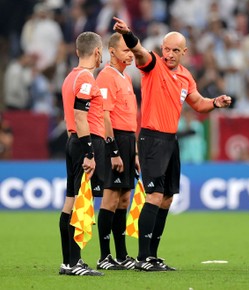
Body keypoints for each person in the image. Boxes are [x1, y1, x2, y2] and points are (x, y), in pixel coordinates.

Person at [113, 16, 232, 271]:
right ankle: (143, 258)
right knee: (154, 195)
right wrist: (129, 34)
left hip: (170, 140)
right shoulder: (153, 65)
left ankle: (153, 255)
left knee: (166, 198)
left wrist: (215, 103)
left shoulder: (186, 77)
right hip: (152, 138)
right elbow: (139, 51)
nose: (169, 54)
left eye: (175, 50)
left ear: (184, 52)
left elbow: (198, 103)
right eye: (166, 48)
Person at [58, 31, 105, 276]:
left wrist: (75, 145)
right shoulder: (87, 77)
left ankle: (68, 262)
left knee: (70, 201)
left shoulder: (70, 77)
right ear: (97, 52)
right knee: (80, 202)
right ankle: (75, 263)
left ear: (77, 51)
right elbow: (80, 115)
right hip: (85, 143)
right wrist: (88, 152)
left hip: (73, 141)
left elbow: (70, 118)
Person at [95, 32, 140, 271]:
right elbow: (104, 116)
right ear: (111, 52)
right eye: (126, 50)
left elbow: (128, 118)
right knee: (110, 198)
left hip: (127, 141)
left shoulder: (126, 77)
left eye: (132, 51)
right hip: (113, 141)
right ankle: (104, 256)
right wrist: (113, 150)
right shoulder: (106, 77)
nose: (130, 54)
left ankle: (121, 256)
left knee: (124, 199)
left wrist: (133, 153)